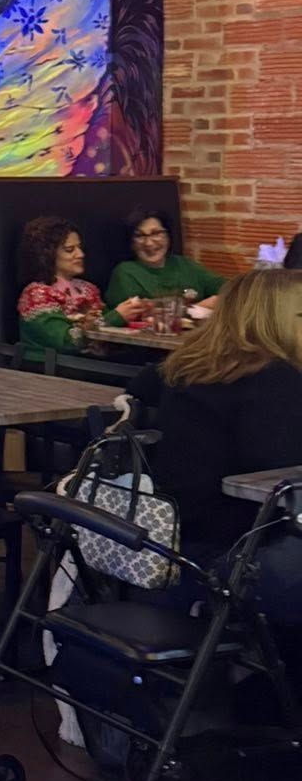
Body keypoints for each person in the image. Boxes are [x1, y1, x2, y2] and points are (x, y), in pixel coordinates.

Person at [131, 272, 302, 667]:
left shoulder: (190, 366)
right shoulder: (275, 379)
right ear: (276, 319)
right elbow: (283, 472)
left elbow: (138, 385)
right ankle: (276, 692)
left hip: (172, 538)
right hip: (229, 552)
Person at [104, 207, 224, 315]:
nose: (149, 243)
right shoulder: (126, 272)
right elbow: (140, 314)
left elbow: (228, 289)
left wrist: (219, 299)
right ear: (131, 243)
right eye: (140, 236)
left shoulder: (184, 264)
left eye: (156, 233)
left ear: (168, 236)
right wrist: (196, 308)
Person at [16, 217, 107, 354]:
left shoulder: (88, 289)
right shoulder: (37, 295)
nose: (81, 254)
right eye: (70, 249)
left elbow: (108, 327)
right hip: (53, 368)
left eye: (80, 248)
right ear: (47, 255)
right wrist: (117, 316)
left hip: (93, 364)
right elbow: (67, 341)